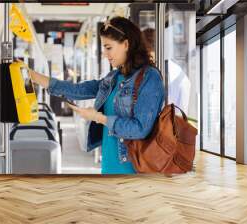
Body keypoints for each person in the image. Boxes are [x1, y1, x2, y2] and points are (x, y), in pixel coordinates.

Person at [28, 17, 165, 174]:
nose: (105, 54)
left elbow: (140, 129)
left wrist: (99, 118)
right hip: (109, 165)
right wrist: (32, 75)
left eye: (108, 48)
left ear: (126, 44)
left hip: (132, 169)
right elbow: (77, 90)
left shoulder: (150, 78)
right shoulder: (113, 77)